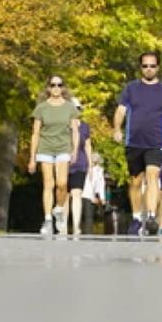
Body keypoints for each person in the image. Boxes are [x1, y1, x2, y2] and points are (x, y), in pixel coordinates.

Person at [113, 51, 162, 236]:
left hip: (156, 142)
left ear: (158, 67)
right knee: (135, 182)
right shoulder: (131, 89)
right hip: (134, 142)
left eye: (152, 66)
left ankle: (150, 217)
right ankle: (136, 218)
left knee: (152, 177)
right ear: (140, 67)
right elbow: (120, 111)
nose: (149, 69)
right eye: (145, 66)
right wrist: (117, 128)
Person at [28, 75, 79, 236]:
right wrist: (32, 157)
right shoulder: (41, 108)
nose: (56, 88)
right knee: (48, 184)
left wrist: (75, 150)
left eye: (59, 85)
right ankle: (48, 219)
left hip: (63, 147)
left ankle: (58, 209)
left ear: (63, 87)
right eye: (53, 85)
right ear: (48, 88)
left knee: (62, 184)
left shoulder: (70, 107)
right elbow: (35, 133)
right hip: (45, 148)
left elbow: (75, 131)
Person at [63, 99, 92, 236]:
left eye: (78, 109)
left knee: (77, 194)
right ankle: (62, 225)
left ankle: (76, 226)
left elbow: (87, 146)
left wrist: (91, 165)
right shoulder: (62, 126)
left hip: (80, 164)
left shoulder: (85, 127)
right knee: (64, 195)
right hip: (63, 163)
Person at [83, 153, 107, 233]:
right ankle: (87, 234)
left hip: (92, 195)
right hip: (86, 195)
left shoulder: (99, 170)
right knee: (88, 216)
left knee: (91, 216)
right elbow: (88, 185)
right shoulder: (89, 170)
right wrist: (92, 197)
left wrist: (102, 198)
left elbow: (101, 184)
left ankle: (88, 233)